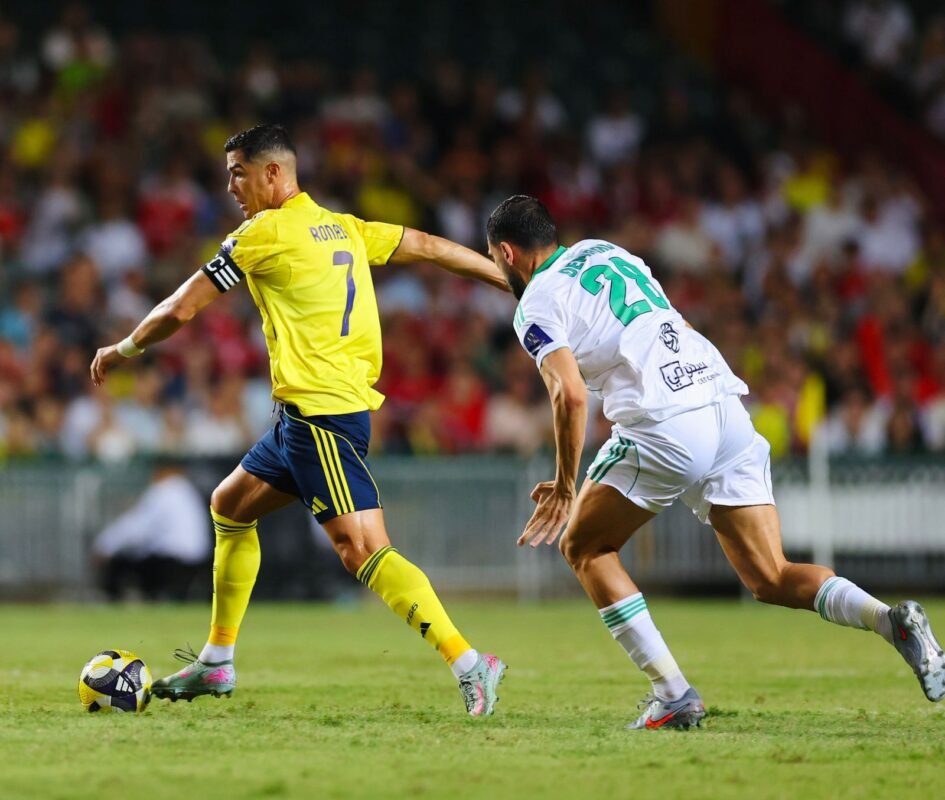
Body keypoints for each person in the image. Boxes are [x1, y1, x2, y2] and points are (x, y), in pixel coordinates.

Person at [91, 124, 507, 716]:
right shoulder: (343, 226)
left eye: (238, 172)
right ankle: (216, 662)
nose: (230, 185)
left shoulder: (263, 233)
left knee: (361, 550)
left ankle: (471, 663)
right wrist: (506, 278)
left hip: (323, 416)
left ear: (272, 173)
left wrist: (122, 349)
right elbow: (431, 247)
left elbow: (181, 306)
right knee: (229, 505)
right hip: (300, 417)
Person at [485, 194, 944, 730]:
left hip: (663, 419)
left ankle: (673, 693)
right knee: (771, 575)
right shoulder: (603, 250)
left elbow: (570, 393)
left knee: (585, 546)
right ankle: (892, 622)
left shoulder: (533, 306)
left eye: (494, 258)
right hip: (722, 405)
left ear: (508, 254)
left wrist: (566, 485)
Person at [91, 458, 210, 601]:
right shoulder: (189, 491)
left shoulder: (165, 490)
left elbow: (138, 527)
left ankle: (112, 603)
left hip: (172, 560)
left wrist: (105, 545)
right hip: (197, 559)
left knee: (118, 563)